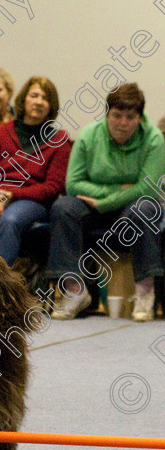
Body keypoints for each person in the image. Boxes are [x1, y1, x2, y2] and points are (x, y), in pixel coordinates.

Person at [48, 83, 165, 321]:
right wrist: (115, 190)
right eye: (117, 115)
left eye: (130, 117)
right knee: (63, 207)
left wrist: (104, 201)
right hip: (93, 205)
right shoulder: (89, 136)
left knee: (144, 207)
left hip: (133, 207)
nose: (122, 123)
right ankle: (74, 291)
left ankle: (144, 291)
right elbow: (73, 184)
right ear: (107, 114)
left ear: (140, 118)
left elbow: (147, 187)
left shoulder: (154, 139)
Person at [0, 77, 71, 267]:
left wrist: (12, 195)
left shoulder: (60, 140)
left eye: (45, 98)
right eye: (34, 95)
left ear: (51, 106)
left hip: (31, 200)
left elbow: (52, 187)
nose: (39, 101)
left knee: (11, 220)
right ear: (23, 100)